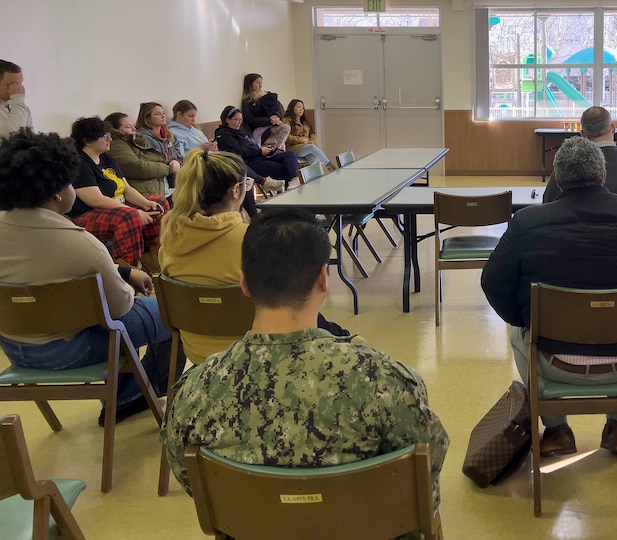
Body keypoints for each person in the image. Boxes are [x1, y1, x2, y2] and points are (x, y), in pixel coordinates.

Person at [162, 208, 449, 511]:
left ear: (244, 284)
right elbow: (426, 468)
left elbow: (189, 476)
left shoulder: (195, 390)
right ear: (324, 278)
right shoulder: (385, 381)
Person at [481, 137, 617, 456]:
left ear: (559, 180)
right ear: (604, 175)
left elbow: (492, 282)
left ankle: (557, 430)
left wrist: (524, 319)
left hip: (555, 359)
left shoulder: (527, 222)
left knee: (517, 334)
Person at [0, 129, 179, 425]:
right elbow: (120, 308)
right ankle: (137, 395)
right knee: (171, 315)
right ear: (58, 191)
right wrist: (122, 281)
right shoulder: (81, 244)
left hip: (13, 347)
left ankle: (128, 393)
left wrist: (122, 270)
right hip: (68, 350)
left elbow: (34, 268)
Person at [159, 150, 354, 364]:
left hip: (196, 350)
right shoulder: (253, 241)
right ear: (235, 191)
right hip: (254, 353)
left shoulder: (170, 239)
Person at [67, 116, 169, 270]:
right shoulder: (80, 163)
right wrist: (133, 210)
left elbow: (126, 188)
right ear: (87, 140)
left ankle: (154, 259)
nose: (110, 140)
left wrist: (146, 204)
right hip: (88, 214)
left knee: (159, 202)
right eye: (104, 136)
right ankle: (130, 269)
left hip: (118, 207)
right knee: (129, 217)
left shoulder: (106, 158)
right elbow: (96, 201)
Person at [542, 105, 617, 204]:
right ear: (613, 128)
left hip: (578, 224)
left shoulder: (568, 165)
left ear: (583, 134)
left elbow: (548, 202)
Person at [214, 105, 292, 190]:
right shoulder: (225, 134)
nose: (239, 122)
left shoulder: (240, 132)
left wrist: (263, 148)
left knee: (290, 155)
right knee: (287, 169)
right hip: (252, 162)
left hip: (261, 155)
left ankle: (294, 181)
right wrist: (259, 151)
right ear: (227, 120)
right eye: (236, 120)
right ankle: (291, 187)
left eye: (241, 120)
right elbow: (238, 151)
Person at [105, 112, 176, 199]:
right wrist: (168, 168)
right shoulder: (116, 144)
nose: (134, 129)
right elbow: (137, 167)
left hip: (163, 187)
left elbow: (158, 158)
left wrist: (172, 162)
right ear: (115, 130)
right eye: (128, 127)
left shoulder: (138, 140)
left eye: (132, 125)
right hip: (146, 194)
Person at [135, 102, 183, 193]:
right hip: (159, 181)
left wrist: (177, 162)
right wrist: (171, 164)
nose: (163, 116)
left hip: (175, 177)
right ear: (147, 118)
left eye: (163, 113)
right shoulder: (142, 137)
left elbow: (180, 155)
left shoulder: (169, 135)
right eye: (157, 114)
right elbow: (153, 161)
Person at [283, 98, 336, 171]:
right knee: (311, 148)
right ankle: (330, 166)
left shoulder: (305, 121)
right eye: (298, 107)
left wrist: (312, 141)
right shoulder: (286, 121)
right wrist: (301, 140)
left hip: (305, 147)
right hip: (292, 148)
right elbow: (285, 137)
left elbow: (313, 134)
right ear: (292, 108)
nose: (301, 109)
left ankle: (316, 180)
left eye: (302, 108)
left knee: (315, 161)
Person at [0, 60, 32, 139]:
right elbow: (14, 136)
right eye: (12, 84)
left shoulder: (23, 108)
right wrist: (17, 99)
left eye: (19, 84)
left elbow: (32, 139)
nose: (18, 88)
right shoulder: (18, 102)